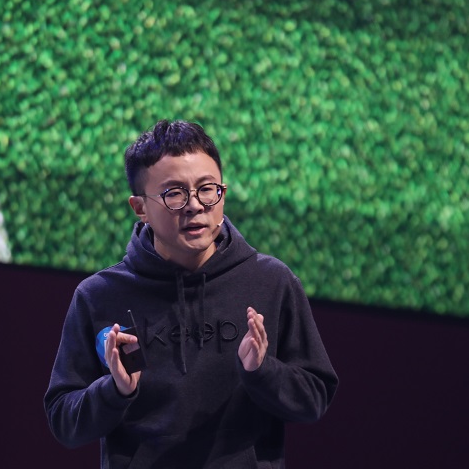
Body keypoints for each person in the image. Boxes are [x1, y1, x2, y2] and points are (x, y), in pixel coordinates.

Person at [44, 119, 338, 468]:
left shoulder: (271, 282)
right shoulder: (99, 296)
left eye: (207, 189)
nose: (195, 205)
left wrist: (262, 371)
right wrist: (115, 390)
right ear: (140, 207)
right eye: (174, 193)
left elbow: (314, 400)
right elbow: (64, 421)